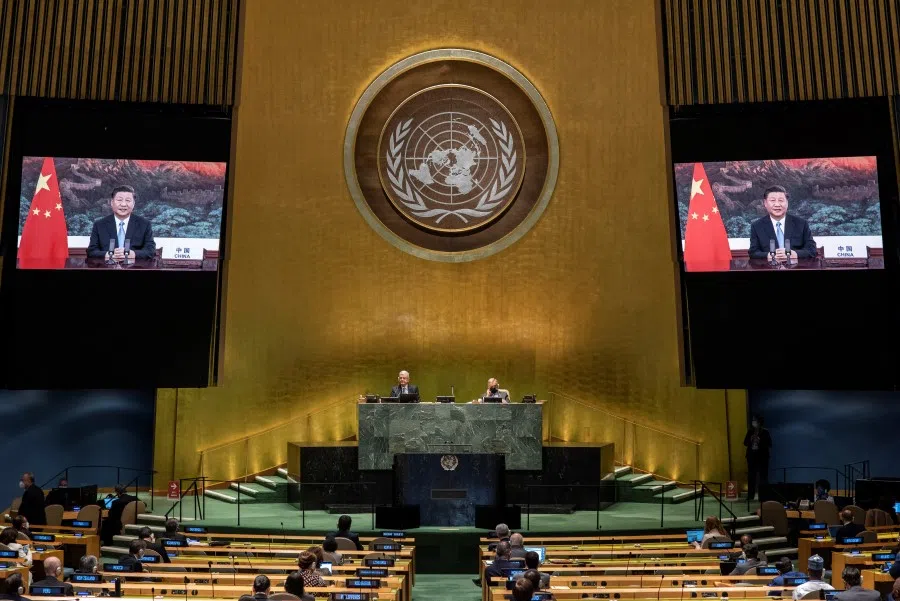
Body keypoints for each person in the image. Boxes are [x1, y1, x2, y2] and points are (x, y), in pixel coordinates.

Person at [748, 185, 817, 261]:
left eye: (781, 200)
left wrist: (795, 254)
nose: (777, 205)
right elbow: (753, 253)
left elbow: (812, 250)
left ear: (787, 203)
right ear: (765, 203)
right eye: (773, 200)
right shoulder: (757, 226)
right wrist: (768, 255)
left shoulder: (801, 224)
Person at [86, 185, 156, 260]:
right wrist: (107, 254)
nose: (123, 204)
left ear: (133, 204)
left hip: (135, 268)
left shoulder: (144, 224)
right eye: (119, 200)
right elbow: (91, 251)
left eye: (128, 200)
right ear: (112, 202)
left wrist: (133, 254)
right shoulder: (99, 225)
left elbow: (150, 250)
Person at [744, 415, 772, 501]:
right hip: (752, 457)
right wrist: (751, 440)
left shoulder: (765, 432)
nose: (753, 422)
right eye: (752, 421)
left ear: (759, 422)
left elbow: (770, 444)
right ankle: (750, 496)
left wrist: (760, 441)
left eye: (754, 421)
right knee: (751, 476)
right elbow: (745, 442)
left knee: (763, 477)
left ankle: (763, 496)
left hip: (762, 458)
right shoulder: (750, 431)